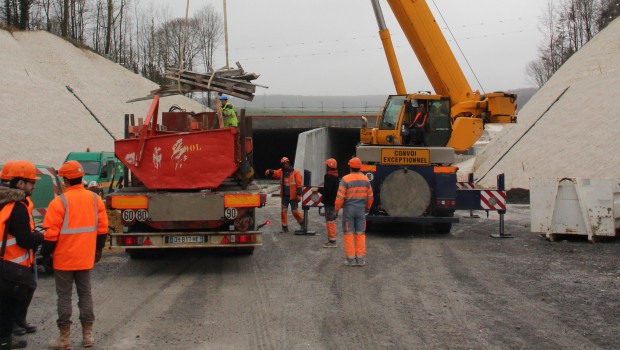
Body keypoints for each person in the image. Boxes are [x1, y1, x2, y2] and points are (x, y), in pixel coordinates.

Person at [42, 160, 108, 349]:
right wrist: (98, 250)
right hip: (85, 257)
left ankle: (64, 340)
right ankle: (88, 336)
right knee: (85, 294)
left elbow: (51, 235)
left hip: (63, 259)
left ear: (65, 180)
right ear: (81, 177)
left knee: (64, 297)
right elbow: (102, 230)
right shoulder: (95, 199)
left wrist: (45, 256)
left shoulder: (59, 202)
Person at [0, 161, 44, 350]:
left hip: (4, 263)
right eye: (31, 182)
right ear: (19, 184)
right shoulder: (18, 207)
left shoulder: (4, 203)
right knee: (7, 308)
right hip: (11, 268)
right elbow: (24, 240)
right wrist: (40, 237)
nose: (34, 186)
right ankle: (5, 341)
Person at [335, 157, 373, 267]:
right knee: (360, 234)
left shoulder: (345, 179)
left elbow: (340, 197)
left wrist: (336, 210)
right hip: (361, 210)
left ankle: (351, 260)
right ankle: (360, 259)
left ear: (350, 167)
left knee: (349, 234)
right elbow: (370, 197)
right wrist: (367, 208)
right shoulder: (366, 180)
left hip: (349, 211)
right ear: (360, 167)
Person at [265, 157, 304, 233]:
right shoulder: (281, 172)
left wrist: (299, 195)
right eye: (283, 164)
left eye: (285, 163)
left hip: (293, 196)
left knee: (295, 211)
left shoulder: (296, 172)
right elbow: (275, 173)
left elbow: (299, 185)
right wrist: (269, 171)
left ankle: (302, 223)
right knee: (283, 211)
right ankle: (284, 227)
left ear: (288, 163)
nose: (285, 165)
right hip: (285, 196)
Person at [318, 158, 339, 248]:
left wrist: (318, 189)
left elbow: (327, 190)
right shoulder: (335, 175)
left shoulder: (329, 176)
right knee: (331, 220)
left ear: (329, 166)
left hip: (330, 202)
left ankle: (332, 241)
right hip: (332, 201)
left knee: (330, 221)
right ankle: (332, 240)